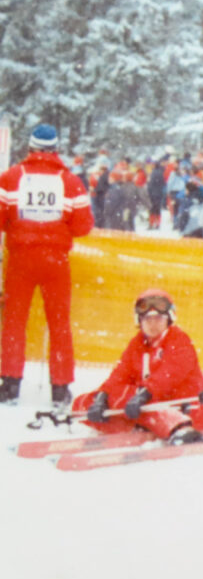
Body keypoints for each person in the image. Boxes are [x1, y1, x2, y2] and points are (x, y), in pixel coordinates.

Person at [0, 124, 94, 409]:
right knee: (59, 324)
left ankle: (10, 383)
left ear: (30, 148)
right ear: (55, 150)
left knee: (14, 321)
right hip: (55, 261)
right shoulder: (71, 181)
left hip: (20, 259)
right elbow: (82, 226)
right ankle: (60, 387)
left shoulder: (12, 177)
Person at [71, 289, 203, 443]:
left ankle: (179, 426)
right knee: (83, 404)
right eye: (147, 319)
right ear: (139, 321)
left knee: (124, 397)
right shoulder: (137, 344)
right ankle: (136, 428)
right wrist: (101, 398)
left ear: (169, 319)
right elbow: (120, 374)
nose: (153, 324)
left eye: (158, 319)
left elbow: (170, 375)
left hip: (183, 408)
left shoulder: (179, 341)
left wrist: (143, 395)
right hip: (144, 405)